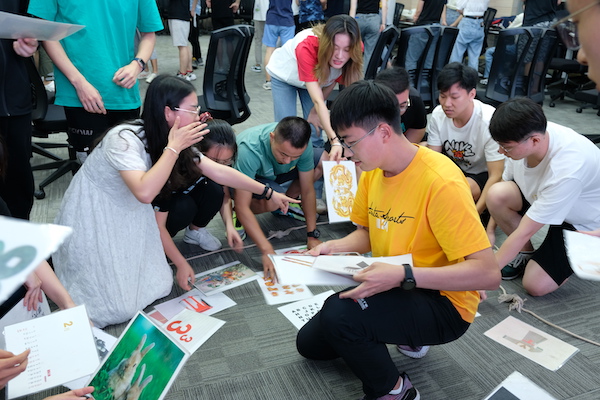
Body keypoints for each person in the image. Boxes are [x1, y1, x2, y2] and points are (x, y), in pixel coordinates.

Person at [297, 80, 499, 400]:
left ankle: (396, 391)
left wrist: (404, 275)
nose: (346, 153)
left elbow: (488, 274)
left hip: (445, 303)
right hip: (397, 279)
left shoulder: (441, 182)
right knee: (310, 345)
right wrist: (331, 248)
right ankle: (394, 326)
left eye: (350, 142)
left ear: (382, 132)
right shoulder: (373, 170)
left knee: (339, 315)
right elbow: (368, 232)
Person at [52, 75, 208, 328]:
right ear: (168, 112)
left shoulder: (166, 135)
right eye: (192, 110)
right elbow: (145, 193)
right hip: (95, 214)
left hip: (130, 213)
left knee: (160, 284)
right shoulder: (123, 138)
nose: (198, 116)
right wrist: (174, 148)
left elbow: (215, 170)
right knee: (116, 308)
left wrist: (268, 193)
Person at [153, 118, 297, 277]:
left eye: (227, 161)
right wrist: (180, 263)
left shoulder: (215, 169)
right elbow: (159, 224)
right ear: (198, 152)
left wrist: (229, 225)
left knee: (216, 191)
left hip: (184, 200)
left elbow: (224, 192)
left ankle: (195, 231)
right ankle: (155, 246)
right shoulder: (175, 169)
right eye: (215, 161)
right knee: (184, 207)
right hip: (157, 216)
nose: (221, 166)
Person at [485, 98, 600, 292]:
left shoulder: (566, 168)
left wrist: (484, 277)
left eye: (506, 147)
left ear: (535, 140)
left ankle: (593, 246)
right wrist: (489, 230)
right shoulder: (525, 133)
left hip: (585, 222)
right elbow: (504, 184)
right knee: (497, 194)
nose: (500, 151)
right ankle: (525, 253)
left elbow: (525, 231)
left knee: (535, 286)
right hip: (548, 197)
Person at [28, 0, 164, 163]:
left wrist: (137, 64)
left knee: (129, 165)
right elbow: (46, 31)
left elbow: (148, 33)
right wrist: (79, 83)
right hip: (79, 93)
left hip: (124, 92)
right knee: (92, 167)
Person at [234, 117, 322, 281]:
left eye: (295, 156)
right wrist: (266, 250)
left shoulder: (302, 145)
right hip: (249, 180)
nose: (287, 161)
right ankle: (236, 216)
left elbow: (307, 189)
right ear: (272, 138)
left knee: (323, 160)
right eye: (283, 154)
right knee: (272, 201)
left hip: (275, 175)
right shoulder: (249, 150)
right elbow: (241, 205)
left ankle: (286, 205)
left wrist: (312, 235)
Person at [265, 14, 363, 161]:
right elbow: (317, 101)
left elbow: (333, 78)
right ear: (326, 43)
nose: (340, 55)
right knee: (286, 130)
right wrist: (335, 141)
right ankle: (284, 170)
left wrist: (315, 111)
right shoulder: (307, 46)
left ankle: (314, 169)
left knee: (315, 129)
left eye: (346, 49)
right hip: (285, 76)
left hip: (316, 79)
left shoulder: (356, 47)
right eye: (335, 48)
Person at [426, 63, 504, 216]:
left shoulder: (489, 121)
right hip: (453, 167)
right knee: (421, 150)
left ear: (471, 94)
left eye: (454, 97)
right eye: (442, 96)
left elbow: (496, 175)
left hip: (481, 174)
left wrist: (475, 214)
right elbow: (433, 160)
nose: (446, 104)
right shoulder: (438, 115)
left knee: (458, 191)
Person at [0, 1, 37, 220]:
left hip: (15, 99)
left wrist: (31, 43)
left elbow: (29, 21)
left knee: (18, 181)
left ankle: (21, 234)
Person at [374, 67, 427, 143]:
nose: (397, 112)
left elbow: (417, 129)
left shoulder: (414, 99)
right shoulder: (367, 106)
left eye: (402, 106)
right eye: (391, 106)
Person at [262, 0, 296, 90]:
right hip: (287, 20)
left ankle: (268, 81)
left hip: (272, 19)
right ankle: (285, 79)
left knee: (269, 50)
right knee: (287, 51)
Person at [449, 0, 490, 72]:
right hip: (480, 24)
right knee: (474, 57)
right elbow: (485, 8)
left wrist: (467, 11)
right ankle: (472, 78)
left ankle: (453, 76)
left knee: (458, 53)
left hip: (467, 22)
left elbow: (459, 8)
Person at [406, 0, 447, 71]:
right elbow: (443, 8)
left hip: (422, 26)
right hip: (436, 27)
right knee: (429, 58)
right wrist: (444, 21)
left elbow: (418, 11)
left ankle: (410, 77)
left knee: (412, 57)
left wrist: (415, 18)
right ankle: (425, 77)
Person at [349, 0, 387, 71]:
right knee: (369, 52)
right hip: (374, 20)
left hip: (359, 19)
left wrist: (351, 23)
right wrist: (383, 23)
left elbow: (353, 7)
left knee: (354, 48)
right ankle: (364, 74)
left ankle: (351, 72)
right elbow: (384, 6)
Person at [169, 0, 198, 81]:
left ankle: (183, 73)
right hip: (182, 14)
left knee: (182, 46)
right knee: (184, 44)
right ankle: (189, 71)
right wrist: (193, 9)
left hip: (178, 15)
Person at [251, 0, 270, 73]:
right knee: (272, 42)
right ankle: (271, 63)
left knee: (258, 40)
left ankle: (258, 64)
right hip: (271, 14)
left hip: (259, 13)